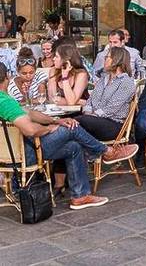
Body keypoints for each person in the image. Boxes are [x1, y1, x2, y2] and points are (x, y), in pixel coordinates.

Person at [0, 62, 138, 210]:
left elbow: (30, 113)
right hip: (23, 155)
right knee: (72, 127)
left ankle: (80, 196)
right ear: (7, 77)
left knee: (74, 147)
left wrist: (55, 121)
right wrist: (49, 129)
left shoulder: (5, 100)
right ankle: (107, 152)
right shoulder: (4, 101)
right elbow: (30, 130)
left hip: (8, 155)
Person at [78, 46, 136, 141]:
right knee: (74, 126)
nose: (104, 60)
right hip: (94, 121)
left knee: (75, 122)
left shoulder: (126, 82)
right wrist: (88, 113)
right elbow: (90, 100)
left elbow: (112, 107)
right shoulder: (103, 79)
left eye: (107, 57)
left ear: (116, 60)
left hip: (113, 124)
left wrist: (92, 116)